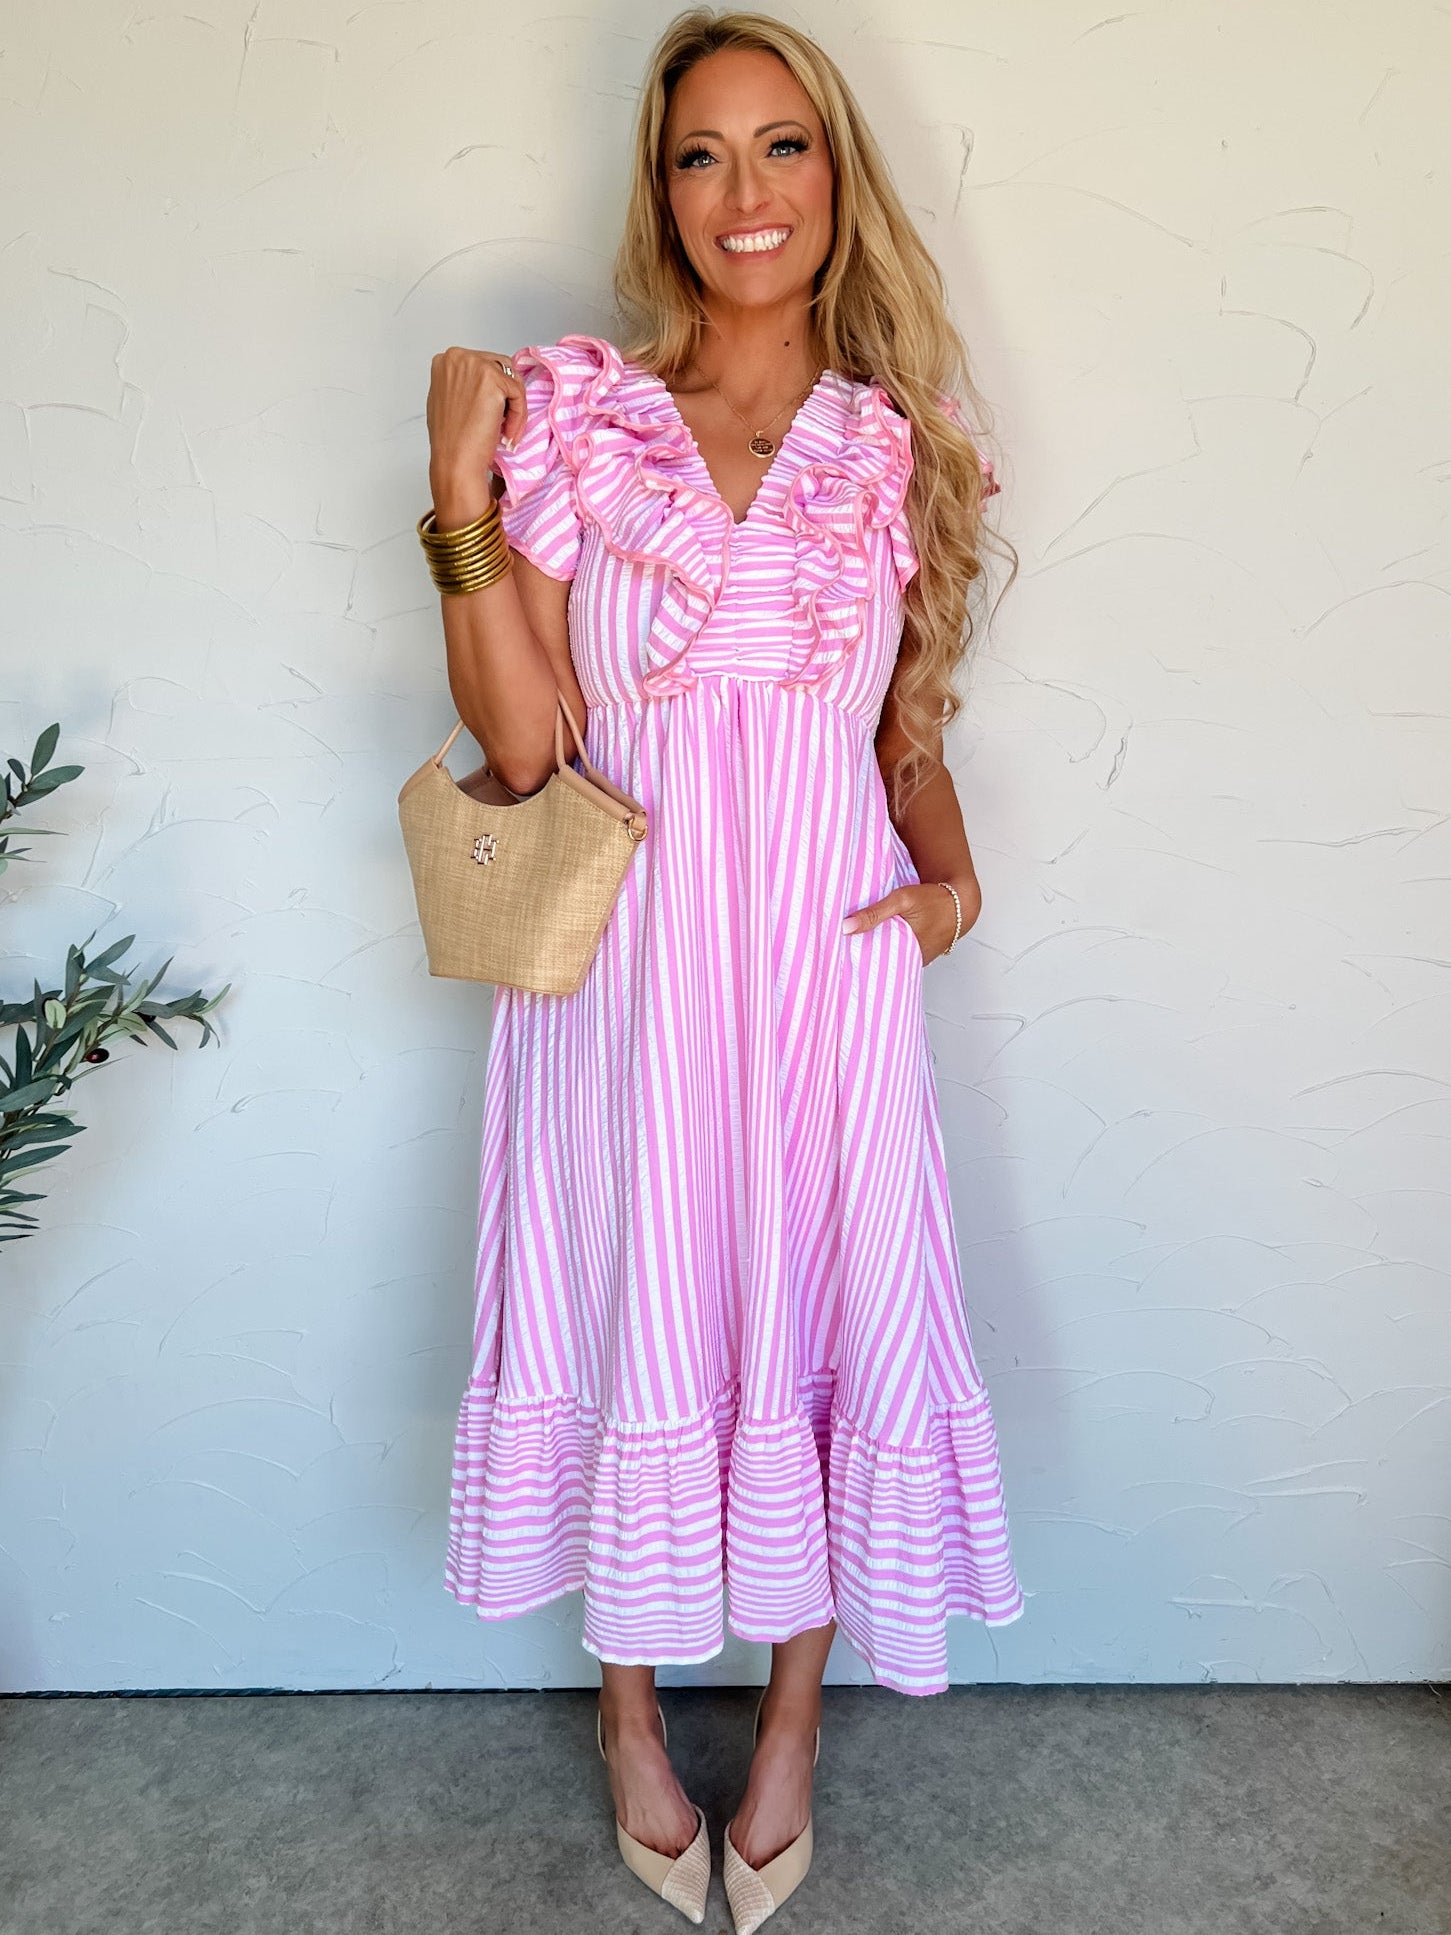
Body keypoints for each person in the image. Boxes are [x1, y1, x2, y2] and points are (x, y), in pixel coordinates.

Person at [420, 9, 1025, 1928]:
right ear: (658, 188)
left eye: (782, 149)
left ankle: (787, 1737)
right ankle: (624, 1722)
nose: (741, 193)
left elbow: (905, 730)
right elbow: (527, 748)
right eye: (702, 155)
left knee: (827, 1333)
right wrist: (453, 495)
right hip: (625, 982)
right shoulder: (580, 418)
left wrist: (944, 888)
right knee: (634, 1314)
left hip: (827, 982)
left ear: (836, 179)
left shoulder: (894, 447)